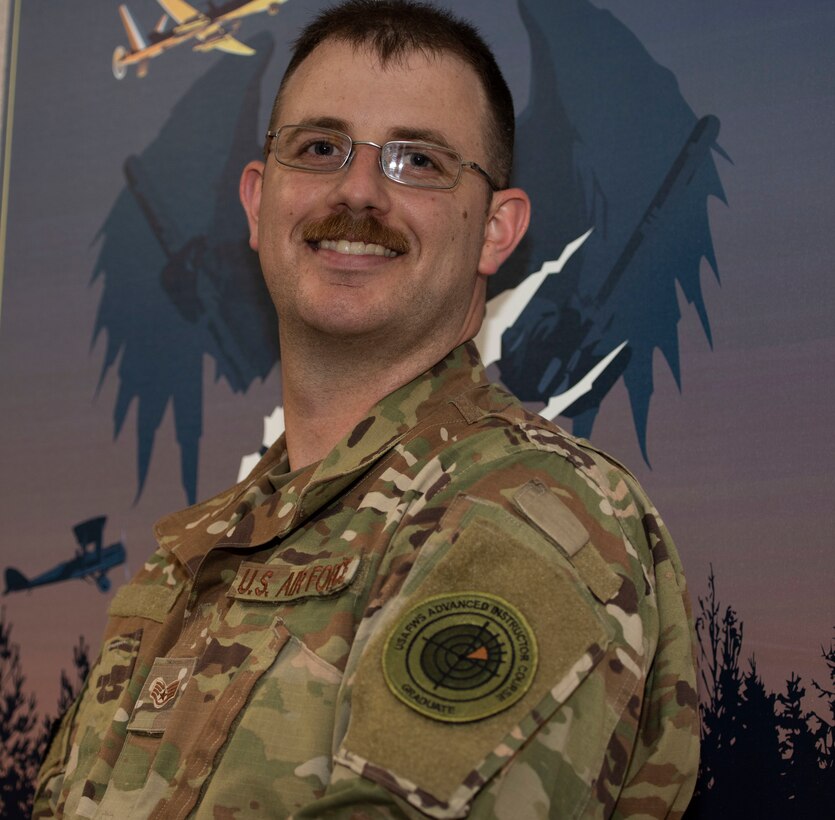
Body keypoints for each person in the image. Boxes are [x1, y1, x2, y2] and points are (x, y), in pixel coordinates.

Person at [35, 1, 699, 817]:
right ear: (255, 202)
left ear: (496, 230)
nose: (357, 191)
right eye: (318, 148)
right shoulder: (193, 563)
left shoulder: (526, 510)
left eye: (417, 161)